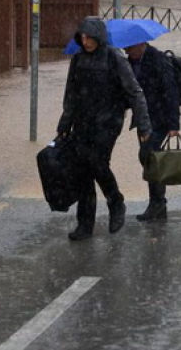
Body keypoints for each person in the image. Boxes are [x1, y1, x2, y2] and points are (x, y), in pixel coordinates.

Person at [58, 16, 151, 240]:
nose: (86, 42)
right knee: (83, 172)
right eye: (82, 37)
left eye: (89, 38)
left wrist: (143, 125)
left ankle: (115, 200)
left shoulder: (114, 58)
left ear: (99, 37)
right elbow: (71, 95)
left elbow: (135, 92)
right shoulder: (78, 59)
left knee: (97, 162)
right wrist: (64, 123)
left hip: (108, 122)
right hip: (82, 122)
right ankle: (85, 224)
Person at [123, 40, 180, 222]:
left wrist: (174, 125)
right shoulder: (129, 62)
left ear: (141, 44)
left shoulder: (158, 60)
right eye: (125, 49)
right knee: (150, 159)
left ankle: (157, 202)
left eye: (129, 48)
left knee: (148, 156)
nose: (127, 51)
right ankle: (158, 204)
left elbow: (171, 92)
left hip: (159, 119)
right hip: (142, 119)